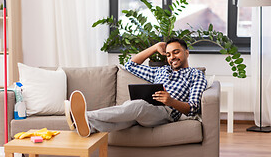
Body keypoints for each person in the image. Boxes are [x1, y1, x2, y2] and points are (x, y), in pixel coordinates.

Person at [65, 38, 207, 137]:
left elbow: (193, 108)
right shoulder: (161, 71)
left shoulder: (195, 75)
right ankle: (87, 127)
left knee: (138, 106)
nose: (172, 57)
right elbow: (130, 66)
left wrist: (170, 101)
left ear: (186, 53)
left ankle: (82, 116)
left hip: (167, 113)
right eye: (168, 55)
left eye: (176, 52)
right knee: (126, 119)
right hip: (146, 110)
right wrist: (154, 47)